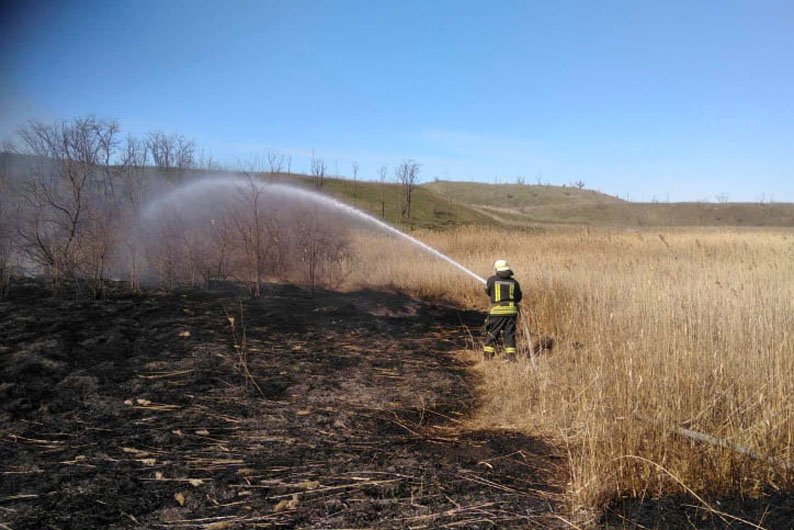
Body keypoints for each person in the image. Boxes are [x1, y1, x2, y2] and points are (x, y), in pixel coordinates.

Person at [483, 259, 522, 361]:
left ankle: (488, 356)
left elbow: (487, 291)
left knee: (493, 332)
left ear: (497, 269)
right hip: (512, 312)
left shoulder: (492, 280)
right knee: (510, 334)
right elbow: (518, 297)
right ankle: (511, 357)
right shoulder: (514, 282)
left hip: (497, 311)